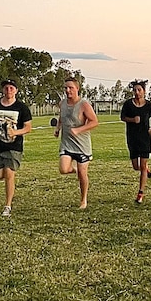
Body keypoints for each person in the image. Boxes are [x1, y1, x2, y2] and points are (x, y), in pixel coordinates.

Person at [0, 79, 33, 217]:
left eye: (11, 88)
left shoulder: (21, 108)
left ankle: (8, 205)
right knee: (0, 175)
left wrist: (15, 132)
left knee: (9, 173)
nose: (8, 90)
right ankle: (8, 191)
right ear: (3, 90)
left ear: (16, 90)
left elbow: (28, 128)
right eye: (6, 88)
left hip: (14, 147)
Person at [55, 77, 98, 209]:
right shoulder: (62, 103)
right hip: (67, 144)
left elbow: (94, 122)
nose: (68, 90)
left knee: (82, 174)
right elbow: (61, 118)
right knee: (63, 169)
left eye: (71, 88)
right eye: (66, 88)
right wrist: (57, 129)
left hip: (82, 146)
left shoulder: (83, 104)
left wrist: (79, 130)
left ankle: (83, 200)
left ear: (77, 89)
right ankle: (75, 169)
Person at [121, 80, 151, 204]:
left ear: (144, 91)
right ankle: (146, 169)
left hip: (145, 138)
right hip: (132, 138)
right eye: (135, 90)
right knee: (136, 166)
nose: (137, 92)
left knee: (142, 166)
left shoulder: (148, 105)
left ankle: (140, 193)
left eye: (139, 90)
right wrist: (132, 119)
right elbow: (122, 117)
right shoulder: (128, 104)